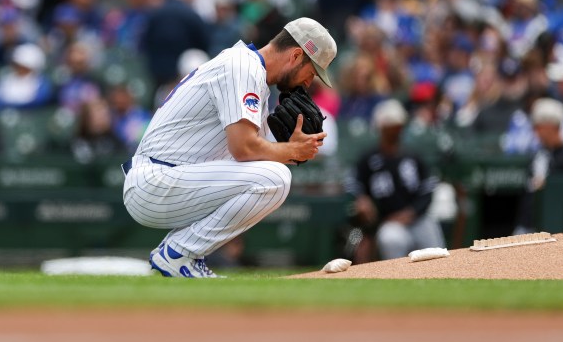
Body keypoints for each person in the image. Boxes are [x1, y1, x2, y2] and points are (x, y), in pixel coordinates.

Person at [122, 17, 336, 278]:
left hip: (174, 178)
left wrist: (289, 145)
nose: (308, 83)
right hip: (156, 180)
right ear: (295, 55)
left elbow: (251, 154)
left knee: (271, 174)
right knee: (275, 178)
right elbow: (244, 149)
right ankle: (178, 253)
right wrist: (291, 151)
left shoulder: (251, 74)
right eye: (312, 73)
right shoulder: (243, 66)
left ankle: (182, 256)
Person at [350, 99, 445, 260]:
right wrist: (361, 200)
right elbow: (354, 186)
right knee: (390, 240)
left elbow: (428, 190)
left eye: (398, 126)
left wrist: (411, 213)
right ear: (381, 128)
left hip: (418, 219)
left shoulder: (413, 156)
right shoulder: (369, 159)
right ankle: (398, 280)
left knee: (437, 251)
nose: (396, 130)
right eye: (391, 126)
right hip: (388, 222)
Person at [514, 98, 563, 234]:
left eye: (538, 127)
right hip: (530, 226)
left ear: (551, 126)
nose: (535, 132)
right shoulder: (539, 155)